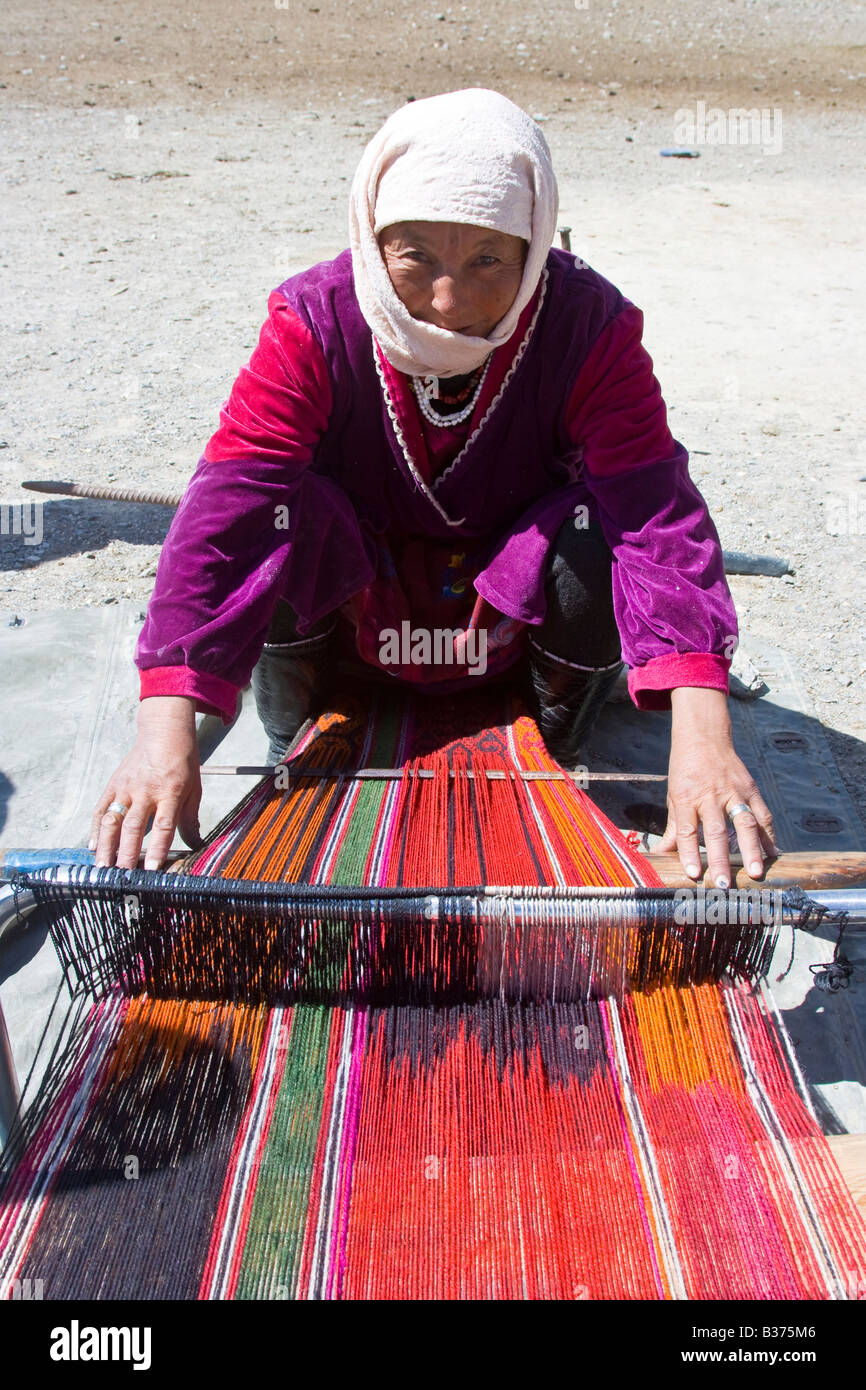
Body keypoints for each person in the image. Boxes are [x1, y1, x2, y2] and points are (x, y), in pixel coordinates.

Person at [89, 88, 777, 887]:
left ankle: (551, 748)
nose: (449, 303)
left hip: (507, 624)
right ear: (371, 236)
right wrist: (163, 733)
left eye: (489, 259)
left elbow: (656, 518)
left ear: (534, 244)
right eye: (415, 256)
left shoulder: (588, 328)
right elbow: (229, 511)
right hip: (355, 615)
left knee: (597, 526)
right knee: (279, 511)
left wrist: (701, 741)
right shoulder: (312, 323)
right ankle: (297, 742)